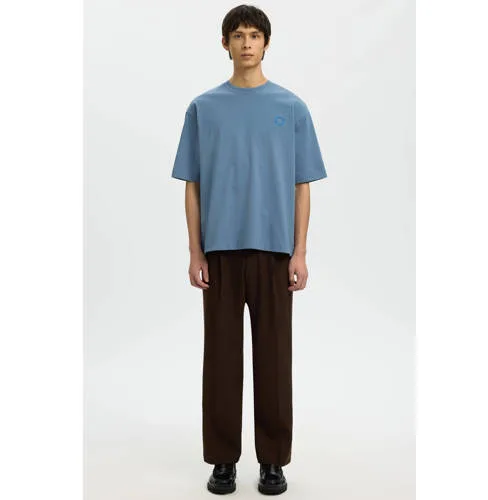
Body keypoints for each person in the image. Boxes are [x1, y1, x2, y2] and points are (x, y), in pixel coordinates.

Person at [171, 4, 327, 495]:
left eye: (254, 35)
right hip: (219, 251)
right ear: (225, 44)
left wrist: (300, 252)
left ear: (266, 43)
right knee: (220, 360)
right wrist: (195, 252)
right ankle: (223, 461)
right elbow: (192, 185)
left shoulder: (291, 107)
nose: (246, 43)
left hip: (275, 252)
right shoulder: (203, 108)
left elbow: (302, 185)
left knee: (274, 360)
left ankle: (273, 461)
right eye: (237, 35)